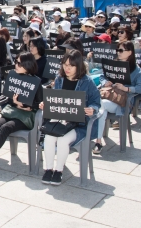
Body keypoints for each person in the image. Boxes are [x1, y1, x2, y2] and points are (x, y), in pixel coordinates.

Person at [40, 51, 101, 185]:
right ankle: (48, 169)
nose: (66, 68)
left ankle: (58, 171)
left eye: (71, 66)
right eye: (64, 65)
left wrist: (92, 109)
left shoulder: (87, 82)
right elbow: (55, 99)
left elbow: (96, 102)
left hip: (78, 124)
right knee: (49, 138)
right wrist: (46, 104)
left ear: (78, 66)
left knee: (62, 141)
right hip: (60, 119)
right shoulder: (60, 79)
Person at [93, 40, 141, 152]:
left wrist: (126, 88)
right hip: (108, 96)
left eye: (121, 50)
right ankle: (98, 140)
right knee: (100, 107)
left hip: (123, 102)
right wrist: (105, 83)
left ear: (130, 52)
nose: (118, 52)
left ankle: (97, 141)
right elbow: (102, 77)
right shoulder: (113, 64)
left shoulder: (136, 70)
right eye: (117, 50)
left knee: (100, 105)